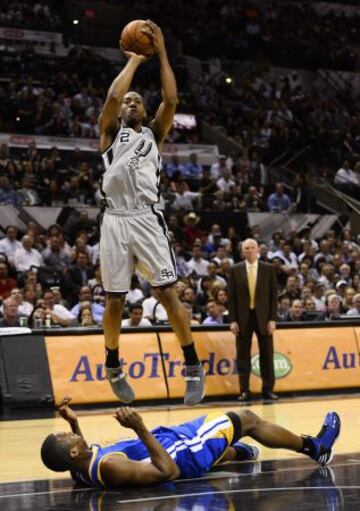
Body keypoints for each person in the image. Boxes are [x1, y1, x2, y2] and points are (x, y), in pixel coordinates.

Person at [98, 20, 205, 405]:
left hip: (146, 217)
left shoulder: (153, 134)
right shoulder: (110, 132)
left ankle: (192, 366)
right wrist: (133, 60)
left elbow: (172, 100)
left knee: (167, 292)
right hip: (114, 219)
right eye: (129, 100)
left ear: (144, 111)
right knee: (114, 300)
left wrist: (160, 54)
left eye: (137, 101)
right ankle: (113, 365)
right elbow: (112, 96)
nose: (130, 102)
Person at [41, 398, 341, 487]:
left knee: (230, 441)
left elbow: (81, 456)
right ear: (73, 450)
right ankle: (316, 447)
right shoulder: (111, 466)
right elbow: (167, 472)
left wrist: (73, 423)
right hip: (185, 452)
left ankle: (234, 453)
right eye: (68, 436)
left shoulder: (79, 469)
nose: (70, 434)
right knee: (247, 419)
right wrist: (139, 427)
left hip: (175, 443)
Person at [228, 239, 278, 402]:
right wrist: (233, 320)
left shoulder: (268, 269)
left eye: (252, 248)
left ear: (258, 250)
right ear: (243, 251)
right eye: (246, 248)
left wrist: (272, 319)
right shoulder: (235, 270)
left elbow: (273, 297)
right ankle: (244, 391)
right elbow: (231, 297)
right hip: (243, 318)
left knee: (267, 355)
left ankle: (268, 390)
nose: (249, 250)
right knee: (243, 356)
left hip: (263, 317)